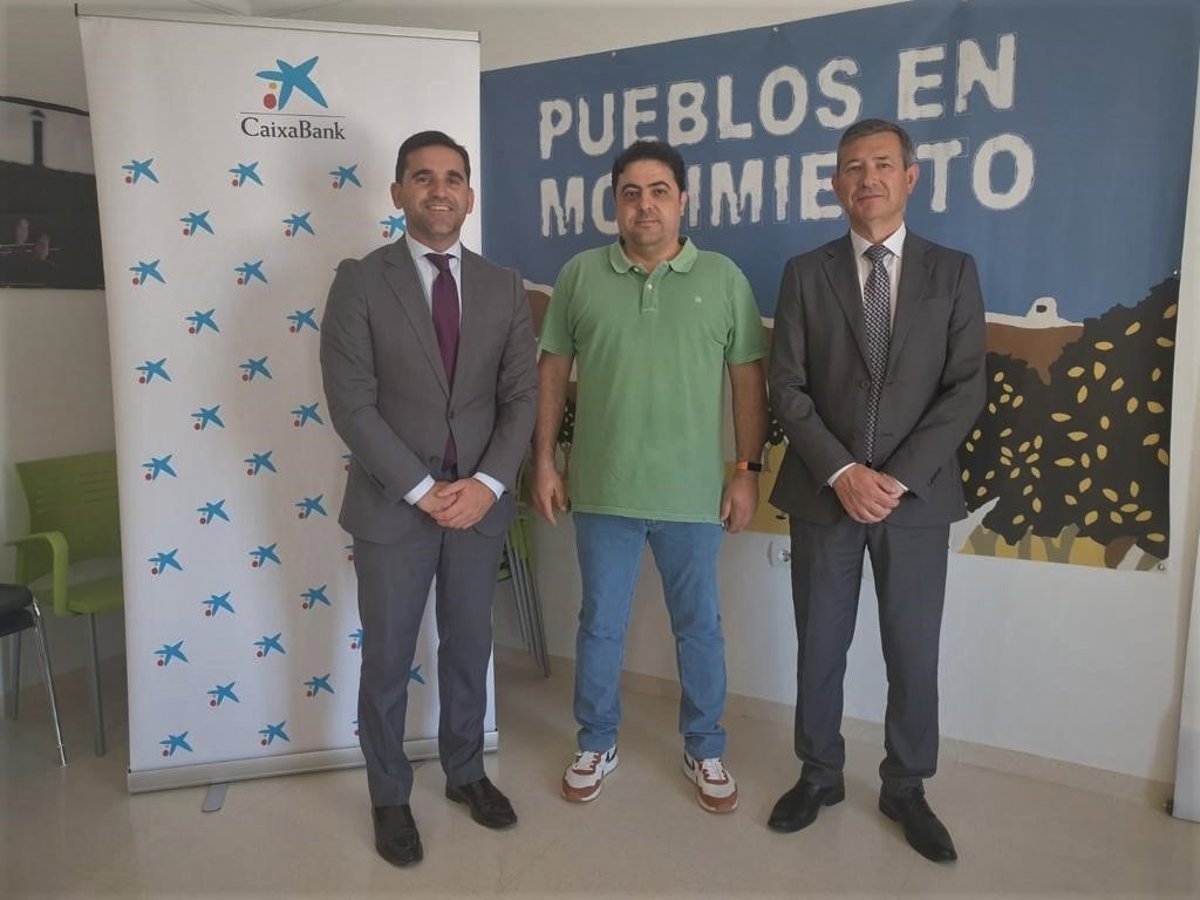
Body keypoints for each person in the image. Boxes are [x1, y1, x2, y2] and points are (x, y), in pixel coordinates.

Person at [766, 118, 986, 861]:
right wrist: (842, 472)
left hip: (914, 499)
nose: (869, 179)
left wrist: (893, 477)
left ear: (911, 177)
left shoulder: (952, 272)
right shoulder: (806, 272)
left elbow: (965, 389)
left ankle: (906, 786)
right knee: (819, 644)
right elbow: (787, 386)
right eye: (853, 167)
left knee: (912, 649)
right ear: (836, 184)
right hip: (823, 493)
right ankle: (818, 773)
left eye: (883, 164)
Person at [320, 130, 538, 867]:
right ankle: (389, 795)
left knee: (469, 646)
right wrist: (420, 489)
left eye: (452, 178)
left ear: (469, 196)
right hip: (392, 508)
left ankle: (466, 772)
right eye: (422, 177)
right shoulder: (360, 281)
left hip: (479, 508)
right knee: (387, 658)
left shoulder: (504, 285)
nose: (438, 190)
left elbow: (521, 397)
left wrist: (486, 485)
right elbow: (351, 404)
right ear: (398, 193)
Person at [532, 139, 767, 814]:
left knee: (700, 629)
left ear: (683, 200)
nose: (645, 205)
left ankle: (706, 747)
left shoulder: (723, 278)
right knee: (599, 626)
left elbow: (747, 379)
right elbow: (552, 371)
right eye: (630, 193)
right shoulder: (579, 275)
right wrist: (544, 460)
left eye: (659, 191)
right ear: (615, 203)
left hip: (695, 496)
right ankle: (596, 741)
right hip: (603, 490)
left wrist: (746, 471)